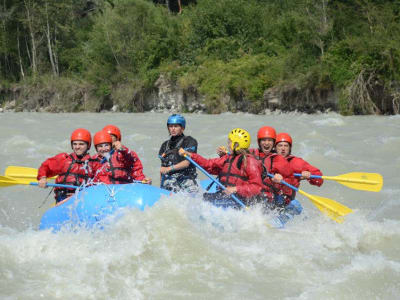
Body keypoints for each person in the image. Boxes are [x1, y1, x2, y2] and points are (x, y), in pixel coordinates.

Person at [179, 128, 264, 207]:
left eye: (230, 142)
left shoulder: (250, 161)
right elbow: (208, 164)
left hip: (239, 200)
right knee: (199, 199)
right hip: (224, 196)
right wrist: (190, 154)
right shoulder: (228, 158)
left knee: (204, 203)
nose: (228, 145)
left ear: (236, 144)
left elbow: (257, 187)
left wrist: (236, 189)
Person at [37, 128, 95, 203]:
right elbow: (45, 166)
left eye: (81, 144)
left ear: (88, 146)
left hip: (83, 200)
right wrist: (43, 178)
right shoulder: (63, 159)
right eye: (75, 144)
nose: (77, 147)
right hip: (63, 199)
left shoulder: (93, 163)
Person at [159, 114, 198, 193]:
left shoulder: (190, 141)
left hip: (187, 178)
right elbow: (162, 169)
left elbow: (186, 163)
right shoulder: (165, 145)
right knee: (168, 185)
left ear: (182, 128)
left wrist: (169, 168)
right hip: (170, 180)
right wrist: (160, 186)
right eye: (170, 126)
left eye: (176, 126)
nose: (173, 129)